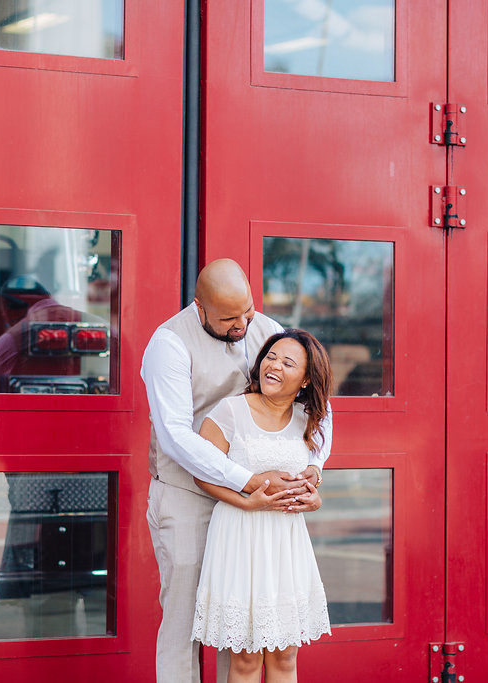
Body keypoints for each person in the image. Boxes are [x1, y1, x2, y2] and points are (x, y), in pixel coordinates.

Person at [141, 259, 331, 683]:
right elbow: (174, 434)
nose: (243, 325)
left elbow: (319, 408)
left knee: (243, 628)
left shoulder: (267, 329)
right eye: (229, 319)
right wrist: (246, 482)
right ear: (199, 307)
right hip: (187, 494)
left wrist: (313, 471)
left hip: (257, 511)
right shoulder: (168, 344)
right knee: (183, 622)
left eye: (247, 311)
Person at [190, 329, 332, 683]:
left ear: (306, 379)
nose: (274, 366)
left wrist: (315, 490)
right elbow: (201, 474)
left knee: (285, 656)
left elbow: (313, 470)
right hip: (240, 537)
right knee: (246, 660)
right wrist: (246, 502)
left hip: (286, 543)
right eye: (271, 357)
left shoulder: (308, 419)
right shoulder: (231, 410)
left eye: (288, 363)